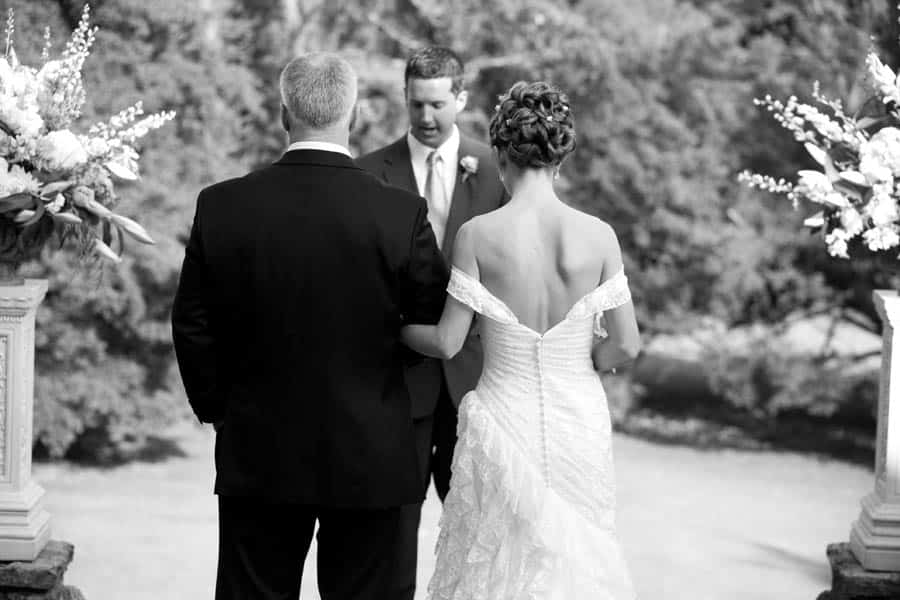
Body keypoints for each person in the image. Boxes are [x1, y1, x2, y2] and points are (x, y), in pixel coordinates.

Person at [171, 52, 448, 600]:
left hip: (259, 449)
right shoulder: (400, 212)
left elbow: (193, 324)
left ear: (284, 114)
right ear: (354, 116)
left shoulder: (223, 205)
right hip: (370, 449)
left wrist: (220, 409)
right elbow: (430, 320)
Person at [401, 81, 642, 599]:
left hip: (503, 418)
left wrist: (392, 326)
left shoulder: (477, 234)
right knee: (578, 556)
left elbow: (447, 341)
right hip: (577, 416)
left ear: (500, 153)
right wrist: (584, 356)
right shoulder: (599, 235)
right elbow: (626, 344)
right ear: (561, 157)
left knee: (497, 561)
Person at [356, 46, 506, 599]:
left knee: (480, 527)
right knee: (393, 527)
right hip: (397, 378)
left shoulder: (497, 171)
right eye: (416, 103)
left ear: (460, 99)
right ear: (405, 97)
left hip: (478, 379)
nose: (425, 116)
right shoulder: (367, 173)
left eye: (438, 104)